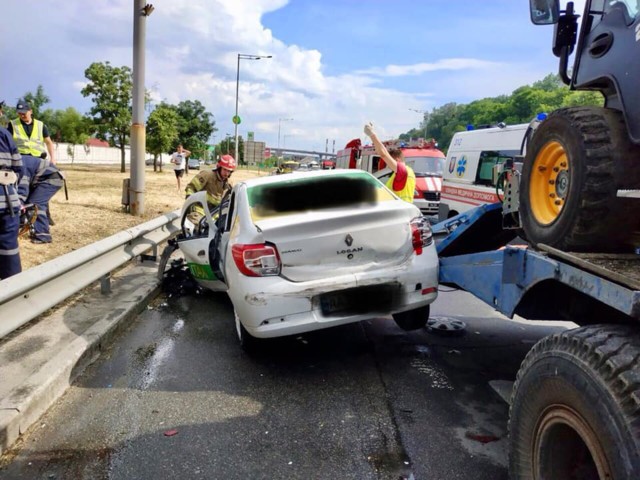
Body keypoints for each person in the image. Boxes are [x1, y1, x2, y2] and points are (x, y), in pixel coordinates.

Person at [8, 99, 58, 226]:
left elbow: (48, 142)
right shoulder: (12, 124)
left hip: (39, 162)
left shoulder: (41, 125)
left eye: (24, 112)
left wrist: (53, 159)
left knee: (40, 189)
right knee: (21, 190)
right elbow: (7, 142)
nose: (22, 115)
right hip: (21, 162)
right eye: (19, 113)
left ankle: (46, 215)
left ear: (31, 111)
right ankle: (22, 217)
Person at [364, 122, 416, 203]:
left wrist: (372, 134)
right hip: (404, 210)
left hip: (398, 211)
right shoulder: (409, 173)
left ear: (398, 159)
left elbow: (383, 154)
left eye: (391, 160)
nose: (388, 165)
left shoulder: (403, 171)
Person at [17, 154, 64, 244]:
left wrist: (18, 203)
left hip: (52, 178)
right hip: (43, 178)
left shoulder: (20, 166)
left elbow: (22, 189)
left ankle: (43, 236)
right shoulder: (14, 162)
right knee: (28, 204)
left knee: (35, 205)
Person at [0, 125, 24, 279]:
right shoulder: (4, 133)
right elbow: (18, 167)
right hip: (7, 197)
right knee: (9, 248)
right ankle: (13, 291)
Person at [184, 154, 236, 220]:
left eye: (229, 171)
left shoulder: (229, 183)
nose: (226, 173)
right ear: (219, 167)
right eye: (225, 170)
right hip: (200, 209)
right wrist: (189, 201)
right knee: (199, 225)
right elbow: (191, 187)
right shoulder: (207, 175)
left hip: (214, 213)